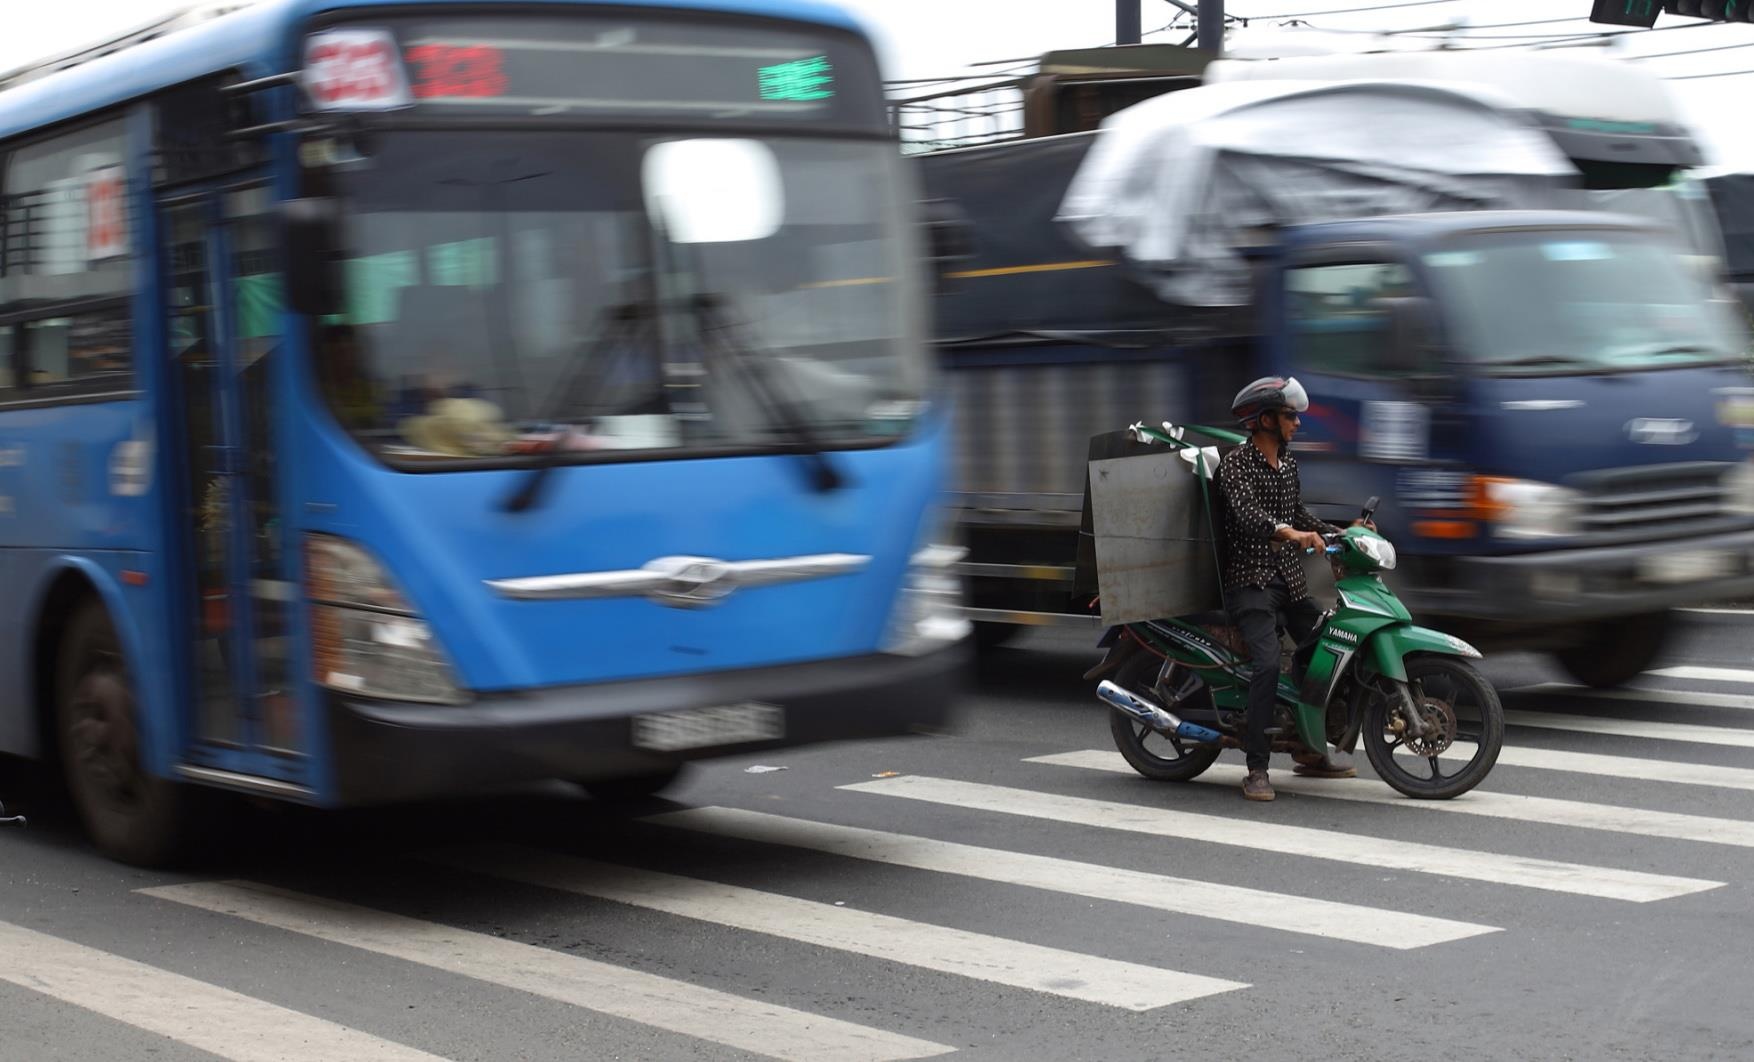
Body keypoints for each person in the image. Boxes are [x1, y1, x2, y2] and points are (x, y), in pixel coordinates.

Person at [1214, 376, 1365, 802]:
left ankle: (1308, 748)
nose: (1297, 423)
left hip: (1289, 582)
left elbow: (1297, 511)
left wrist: (1341, 532)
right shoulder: (1236, 464)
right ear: (1264, 420)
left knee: (1332, 648)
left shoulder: (1288, 462)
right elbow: (1248, 515)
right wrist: (1289, 534)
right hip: (1251, 582)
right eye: (1289, 416)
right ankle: (1256, 768)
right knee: (1266, 665)